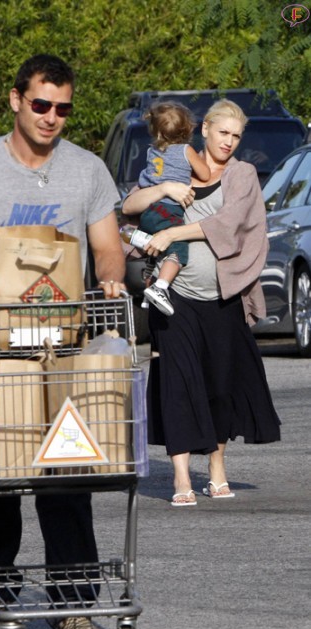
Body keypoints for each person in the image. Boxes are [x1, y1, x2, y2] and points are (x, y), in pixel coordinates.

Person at [0, 53, 125, 629]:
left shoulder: (86, 171)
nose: (51, 117)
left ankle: (74, 604)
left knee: (68, 470)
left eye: (62, 108)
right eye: (41, 105)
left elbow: (107, 245)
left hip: (64, 347)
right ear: (16, 101)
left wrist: (110, 277)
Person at [122, 99, 281, 507]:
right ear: (204, 130)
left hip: (224, 298)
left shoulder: (242, 175)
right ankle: (180, 475)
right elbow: (128, 207)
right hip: (173, 297)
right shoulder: (170, 165)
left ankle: (215, 467)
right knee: (176, 382)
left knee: (219, 385)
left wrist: (173, 235)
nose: (229, 141)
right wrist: (164, 189)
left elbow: (227, 225)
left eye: (236, 136)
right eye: (223, 132)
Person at [137, 101, 210, 315]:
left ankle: (148, 288)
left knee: (155, 255)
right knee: (178, 250)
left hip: (149, 211)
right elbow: (205, 174)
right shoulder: (186, 151)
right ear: (187, 129)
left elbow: (144, 181)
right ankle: (160, 288)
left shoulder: (152, 152)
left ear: (157, 131)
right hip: (169, 212)